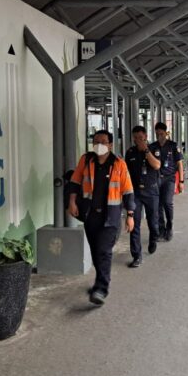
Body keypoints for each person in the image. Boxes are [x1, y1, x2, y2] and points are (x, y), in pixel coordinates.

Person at [68, 130, 134, 305]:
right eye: (96, 141)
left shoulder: (119, 164)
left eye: (103, 142)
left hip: (110, 217)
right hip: (91, 216)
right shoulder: (86, 160)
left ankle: (101, 288)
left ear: (110, 145)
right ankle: (100, 281)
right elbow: (74, 182)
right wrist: (72, 202)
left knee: (104, 252)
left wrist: (130, 215)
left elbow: (128, 191)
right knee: (96, 251)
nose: (99, 145)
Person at [125, 125, 161, 268]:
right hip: (135, 193)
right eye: (135, 138)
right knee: (134, 224)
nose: (138, 140)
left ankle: (153, 238)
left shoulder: (153, 149)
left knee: (153, 221)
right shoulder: (130, 152)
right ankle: (137, 255)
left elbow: (157, 165)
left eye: (140, 137)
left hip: (151, 192)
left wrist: (146, 150)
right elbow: (126, 172)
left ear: (145, 136)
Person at [150, 122, 184, 241]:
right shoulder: (152, 147)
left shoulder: (173, 146)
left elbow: (180, 164)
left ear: (166, 133)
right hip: (156, 179)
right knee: (158, 205)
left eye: (162, 133)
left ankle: (169, 227)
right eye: (157, 133)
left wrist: (181, 181)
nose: (159, 136)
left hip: (169, 178)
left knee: (167, 202)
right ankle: (161, 230)